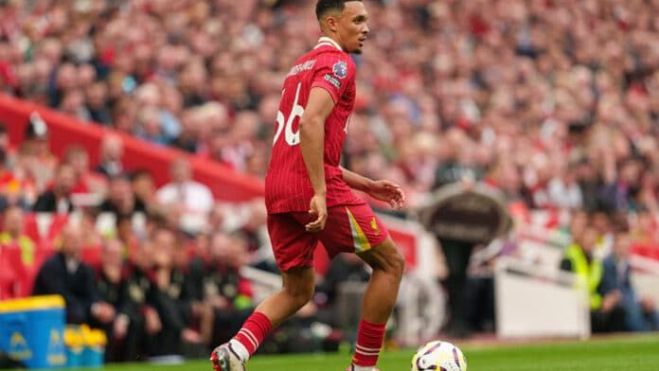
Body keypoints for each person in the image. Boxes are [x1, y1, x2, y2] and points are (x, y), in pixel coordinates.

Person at [211, 2, 406, 371]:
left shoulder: (298, 68)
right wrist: (319, 191)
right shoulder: (339, 64)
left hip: (278, 187)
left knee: (298, 289)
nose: (366, 28)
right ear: (333, 23)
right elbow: (310, 124)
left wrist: (367, 185)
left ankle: (236, 350)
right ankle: (363, 367)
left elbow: (307, 144)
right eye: (358, 20)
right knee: (390, 264)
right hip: (311, 187)